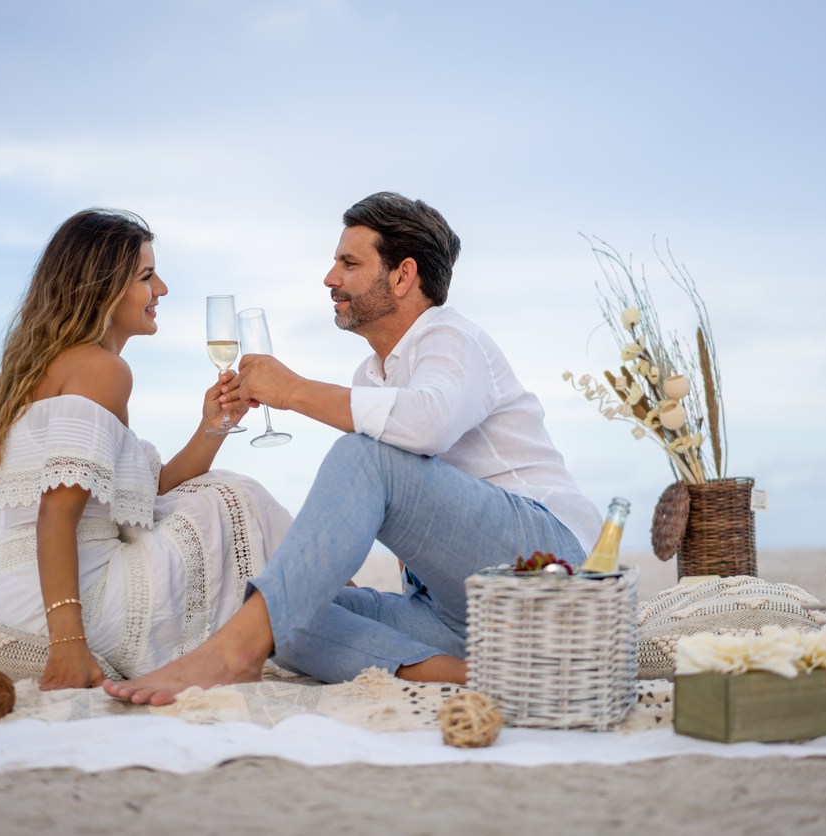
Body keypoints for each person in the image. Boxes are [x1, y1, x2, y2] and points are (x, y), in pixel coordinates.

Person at [104, 192, 602, 705]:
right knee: (286, 612)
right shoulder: (369, 376)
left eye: (349, 263)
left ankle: (230, 655)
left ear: (403, 276)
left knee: (364, 456)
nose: (330, 278)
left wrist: (293, 391)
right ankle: (470, 673)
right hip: (452, 610)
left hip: (545, 562)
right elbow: (364, 506)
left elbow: (425, 427)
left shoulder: (452, 337)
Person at [0, 209, 292, 690]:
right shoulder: (100, 371)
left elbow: (151, 489)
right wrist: (68, 645)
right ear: (102, 289)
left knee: (223, 491)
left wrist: (216, 422)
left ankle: (330, 605)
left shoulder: (52, 372)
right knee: (233, 497)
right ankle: (332, 609)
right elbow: (57, 513)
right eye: (147, 276)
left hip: (3, 593)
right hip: (62, 605)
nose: (163, 290)